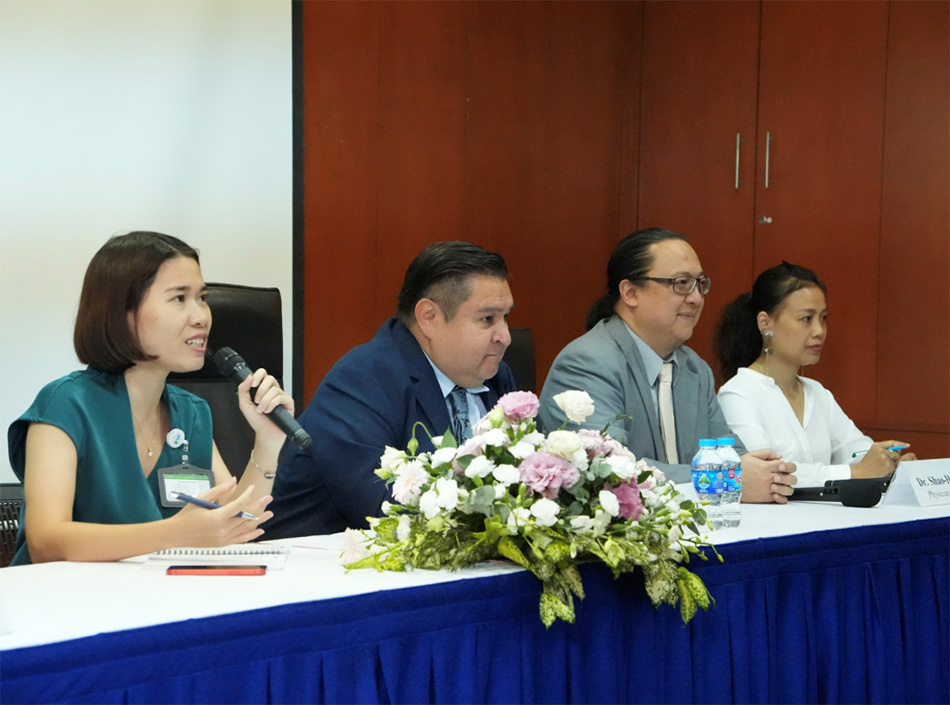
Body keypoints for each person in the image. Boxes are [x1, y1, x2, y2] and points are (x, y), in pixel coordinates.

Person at [7, 231, 292, 565]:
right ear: (122, 312)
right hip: (66, 597)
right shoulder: (66, 404)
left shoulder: (192, 412)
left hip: (158, 593)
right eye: (179, 298)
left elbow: (235, 524)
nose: (201, 316)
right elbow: (46, 542)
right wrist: (176, 533)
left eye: (202, 298)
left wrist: (268, 441)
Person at [265, 241, 517, 538]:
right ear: (429, 318)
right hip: (312, 561)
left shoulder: (496, 377)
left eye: (506, 317)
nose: (505, 337)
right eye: (487, 319)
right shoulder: (362, 380)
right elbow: (385, 511)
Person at [539, 227, 796, 502]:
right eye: (681, 283)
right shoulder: (587, 363)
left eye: (699, 284)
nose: (696, 298)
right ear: (630, 292)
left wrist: (766, 474)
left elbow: (728, 453)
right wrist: (722, 480)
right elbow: (608, 470)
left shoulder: (695, 369)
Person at [715, 262, 916, 488]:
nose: (819, 331)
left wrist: (889, 463)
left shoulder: (817, 393)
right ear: (765, 323)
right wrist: (855, 472)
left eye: (823, 318)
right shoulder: (738, 394)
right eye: (806, 319)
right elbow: (765, 474)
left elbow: (856, 451)